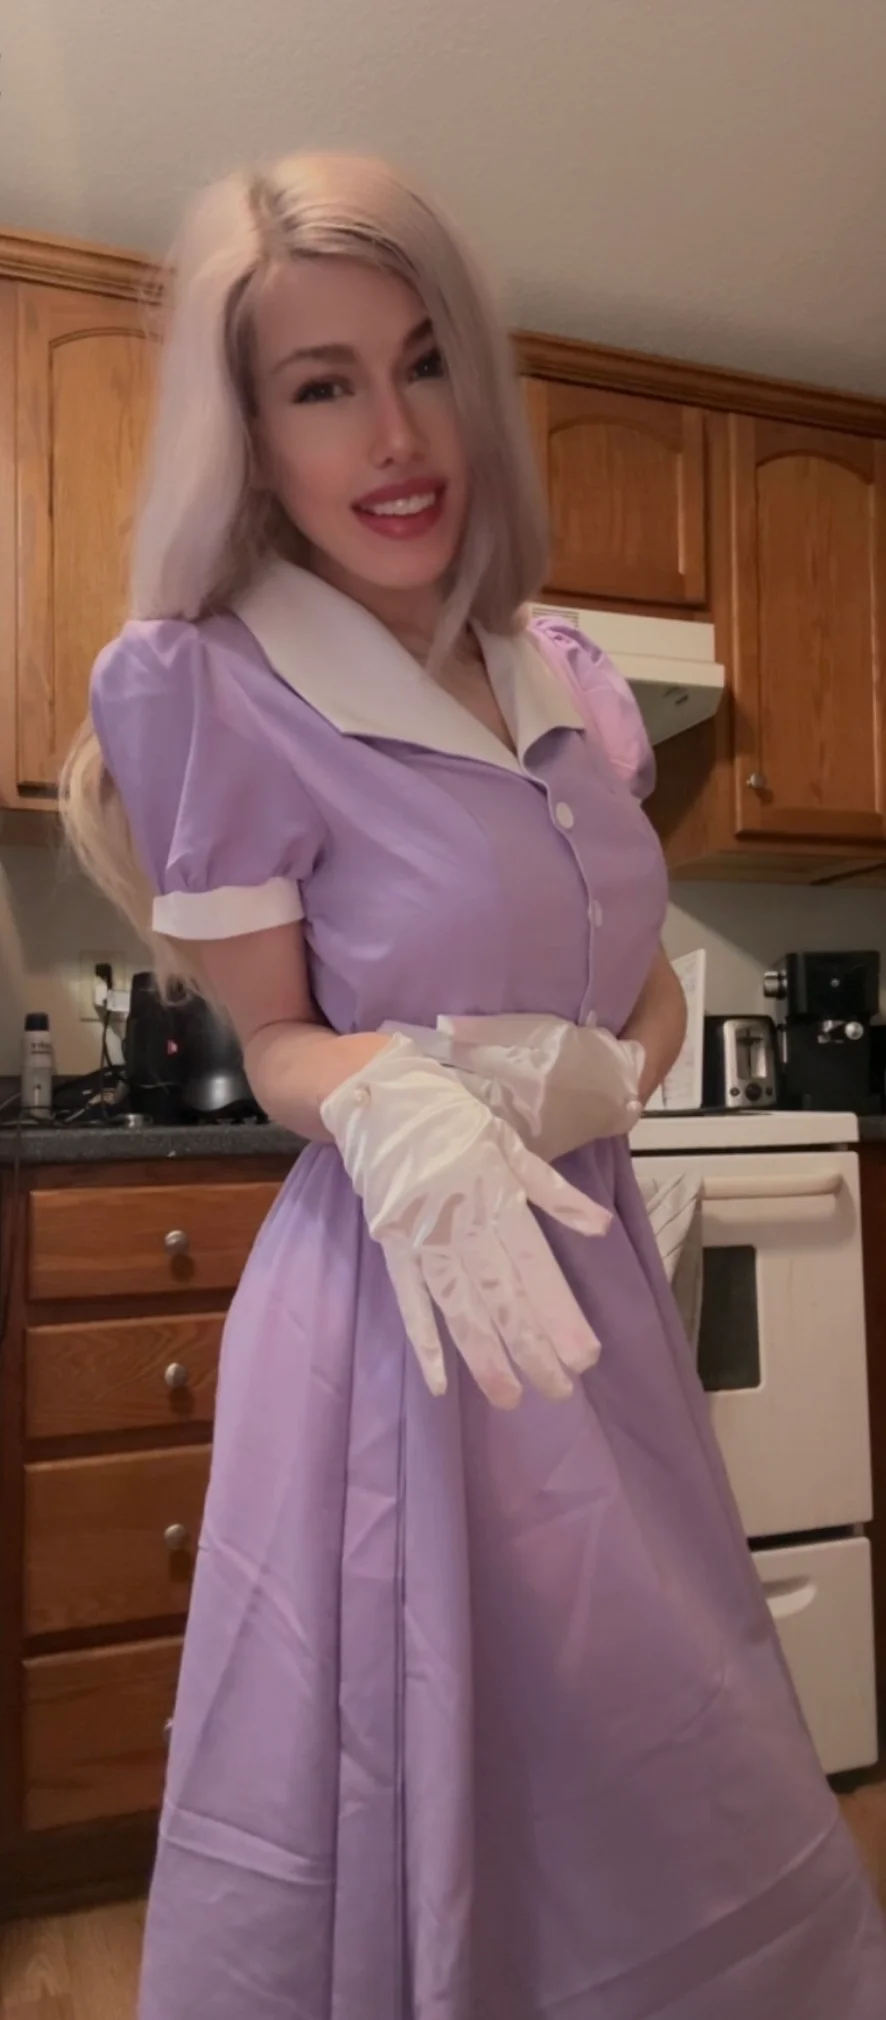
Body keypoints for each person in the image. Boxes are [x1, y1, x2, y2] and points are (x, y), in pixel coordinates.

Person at [61, 152, 886, 2020]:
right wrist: (394, 1096)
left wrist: (598, 1069)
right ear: (250, 432)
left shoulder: (556, 676)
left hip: (587, 1286)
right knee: (447, 1767)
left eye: (425, 360)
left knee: (657, 1750)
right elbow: (279, 1041)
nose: (395, 432)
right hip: (409, 1303)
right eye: (322, 383)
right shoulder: (213, 686)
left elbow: (638, 981)